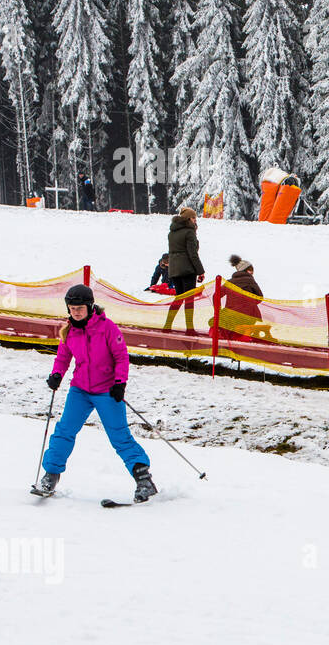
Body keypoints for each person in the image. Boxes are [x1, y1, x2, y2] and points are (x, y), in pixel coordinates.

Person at [37, 284, 158, 503]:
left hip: (107, 390)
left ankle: (144, 481)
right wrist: (56, 374)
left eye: (80, 307)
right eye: (72, 308)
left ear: (90, 306)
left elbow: (121, 356)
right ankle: (50, 477)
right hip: (80, 389)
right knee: (64, 431)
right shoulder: (69, 331)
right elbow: (63, 357)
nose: (76, 311)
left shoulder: (107, 328)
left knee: (119, 436)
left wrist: (120, 383)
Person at [163, 207, 204, 333]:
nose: (195, 221)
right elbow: (192, 254)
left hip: (174, 269)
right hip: (187, 270)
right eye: (193, 218)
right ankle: (190, 328)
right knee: (189, 299)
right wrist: (200, 271)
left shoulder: (172, 232)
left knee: (179, 298)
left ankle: (167, 325)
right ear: (188, 219)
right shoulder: (189, 232)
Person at [217, 255, 267, 341]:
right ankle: (243, 337)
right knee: (243, 327)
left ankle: (225, 334)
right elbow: (259, 297)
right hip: (249, 316)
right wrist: (250, 303)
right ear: (248, 271)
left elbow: (216, 295)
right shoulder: (250, 281)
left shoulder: (229, 282)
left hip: (230, 315)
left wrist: (218, 310)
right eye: (252, 270)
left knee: (221, 322)